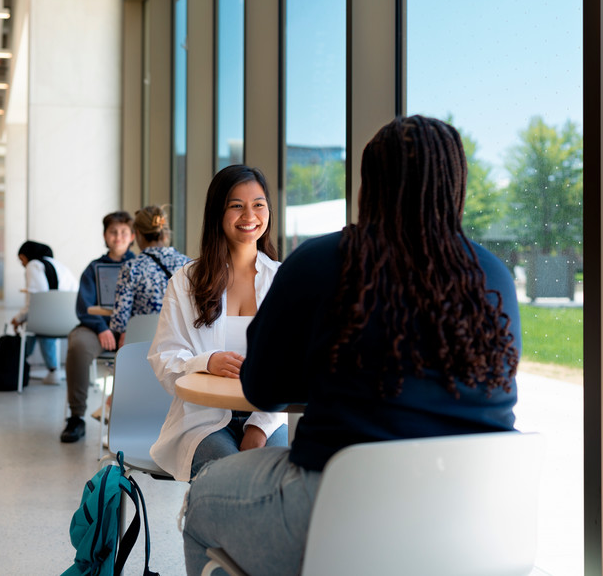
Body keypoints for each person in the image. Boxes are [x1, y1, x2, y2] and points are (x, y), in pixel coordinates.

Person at [180, 116, 522, 575]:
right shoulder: (494, 276)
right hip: (472, 522)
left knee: (200, 499)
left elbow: (263, 388)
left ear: (369, 185)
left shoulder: (322, 261)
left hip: (340, 512)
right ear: (455, 183)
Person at [148, 165, 288, 483]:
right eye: (236, 205)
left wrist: (258, 426)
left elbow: (295, 366)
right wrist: (206, 362)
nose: (249, 215)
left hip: (270, 417)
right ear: (217, 212)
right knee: (232, 479)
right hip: (201, 419)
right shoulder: (186, 281)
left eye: (258, 204)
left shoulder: (283, 280)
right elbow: (164, 358)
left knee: (271, 479)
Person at [60, 211, 136, 443]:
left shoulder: (139, 266)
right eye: (113, 232)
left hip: (130, 329)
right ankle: (76, 417)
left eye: (124, 232)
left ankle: (135, 417)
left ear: (133, 236)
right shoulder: (93, 268)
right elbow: (84, 306)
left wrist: (125, 328)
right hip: (96, 328)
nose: (118, 237)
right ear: (105, 235)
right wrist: (102, 328)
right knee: (78, 346)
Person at [107, 205, 191, 348]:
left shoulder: (131, 268)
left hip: (141, 350)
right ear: (165, 233)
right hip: (180, 348)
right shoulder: (187, 264)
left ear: (138, 234)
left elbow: (119, 322)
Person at [10, 240, 80, 385]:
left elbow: (37, 302)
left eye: (21, 259)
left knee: (36, 324)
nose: (22, 264)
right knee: (38, 321)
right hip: (72, 321)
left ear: (27, 256)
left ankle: (24, 364)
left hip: (49, 322)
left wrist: (18, 318)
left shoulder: (33, 266)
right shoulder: (59, 266)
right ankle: (36, 365)